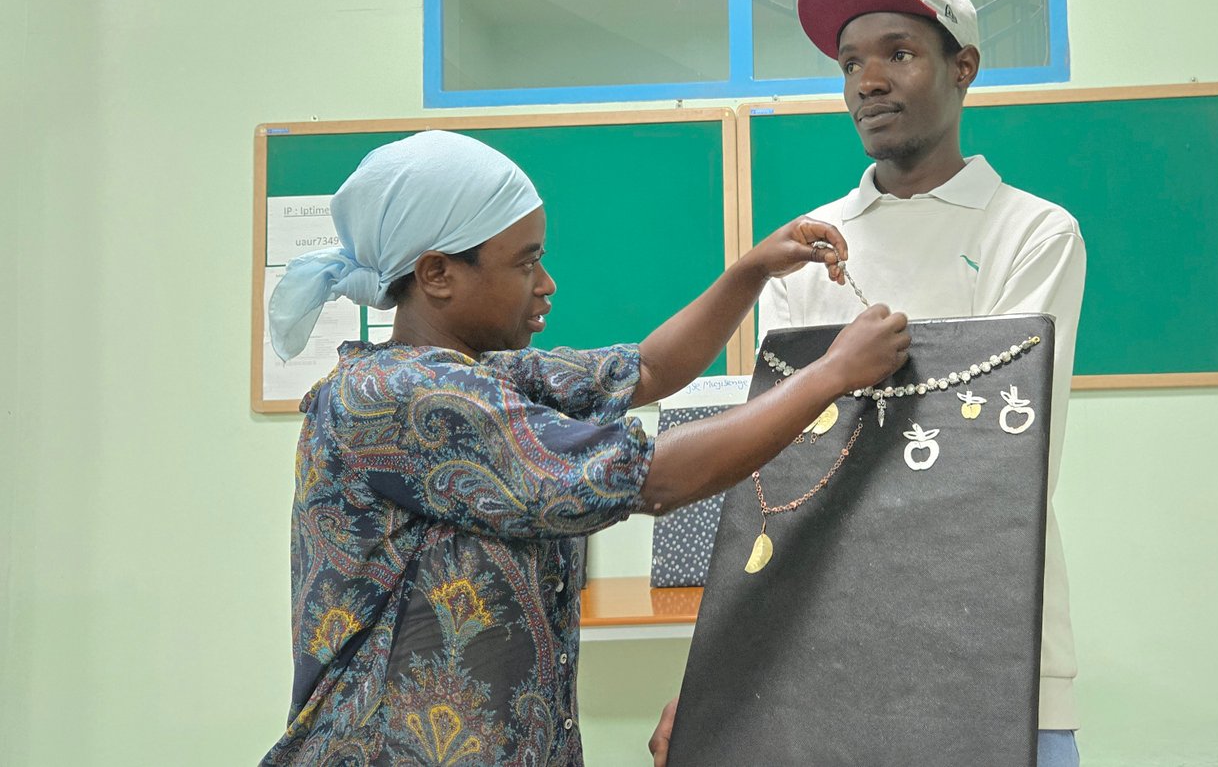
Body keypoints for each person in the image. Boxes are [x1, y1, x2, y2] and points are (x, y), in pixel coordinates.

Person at [259, 129, 909, 766]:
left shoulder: (487, 376)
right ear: (437, 274)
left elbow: (648, 369)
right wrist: (831, 374)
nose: (546, 283)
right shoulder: (397, 395)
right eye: (525, 263)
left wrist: (752, 271)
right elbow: (654, 478)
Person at [649, 0, 1087, 767]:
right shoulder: (808, 247)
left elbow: (996, 465)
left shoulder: (1031, 233)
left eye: (899, 53)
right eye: (851, 62)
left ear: (963, 67)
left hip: (988, 648)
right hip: (814, 659)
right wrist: (719, 664)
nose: (869, 81)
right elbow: (779, 475)